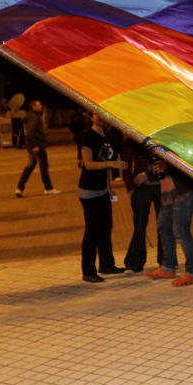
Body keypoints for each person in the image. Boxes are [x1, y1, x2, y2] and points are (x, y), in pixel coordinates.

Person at [77, 112, 127, 282]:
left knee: (106, 227)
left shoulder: (106, 136)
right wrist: (111, 163)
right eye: (95, 115)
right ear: (91, 117)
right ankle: (88, 271)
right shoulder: (88, 136)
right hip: (88, 191)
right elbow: (88, 164)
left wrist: (109, 189)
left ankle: (107, 264)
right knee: (92, 230)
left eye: (102, 115)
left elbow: (105, 170)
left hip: (102, 190)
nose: (99, 118)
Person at [122, 139, 166, 273]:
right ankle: (135, 260)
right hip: (141, 188)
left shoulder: (158, 138)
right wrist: (130, 188)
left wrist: (150, 172)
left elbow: (170, 159)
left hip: (163, 185)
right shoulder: (131, 140)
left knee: (164, 225)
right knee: (140, 225)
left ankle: (165, 259)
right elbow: (126, 166)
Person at [15, 99, 60, 197]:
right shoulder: (34, 117)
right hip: (37, 146)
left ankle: (19, 188)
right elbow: (30, 133)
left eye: (40, 105)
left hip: (34, 146)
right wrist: (35, 145)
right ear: (33, 107)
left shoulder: (34, 116)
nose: (41, 107)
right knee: (43, 166)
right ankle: (48, 188)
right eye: (38, 105)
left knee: (30, 167)